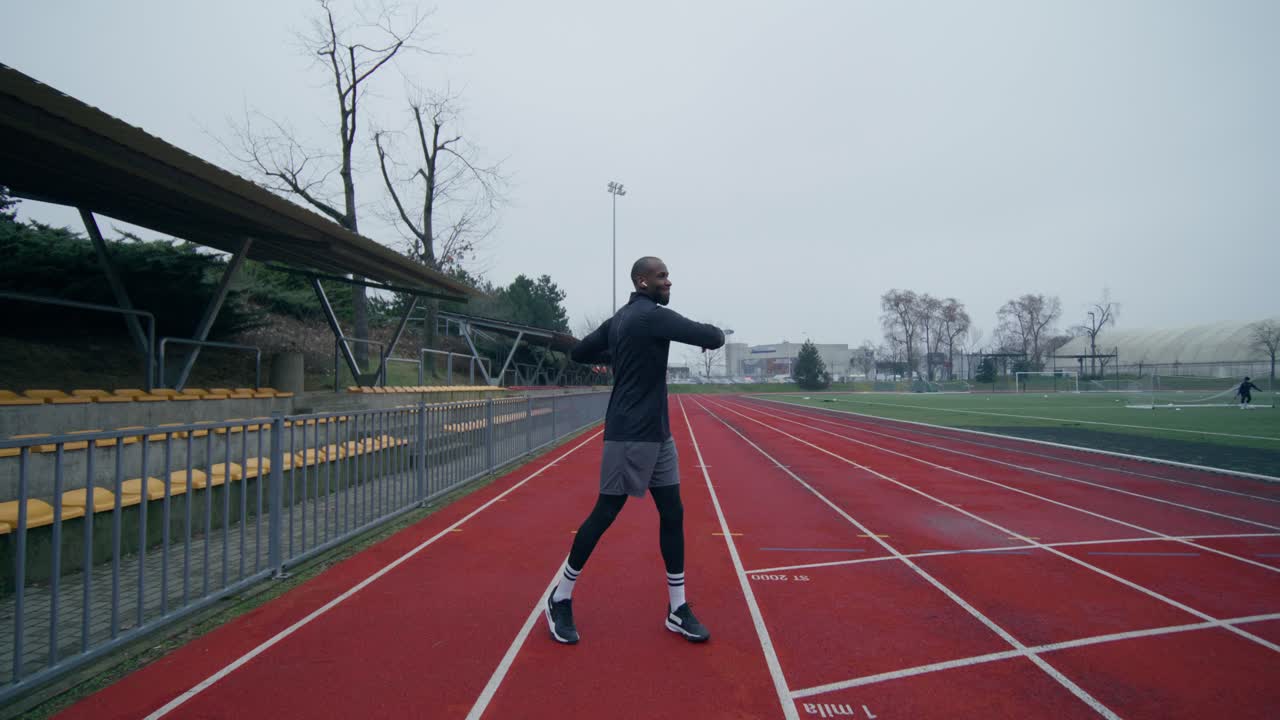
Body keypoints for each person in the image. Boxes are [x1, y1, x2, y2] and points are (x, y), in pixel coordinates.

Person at [545, 256, 725, 645]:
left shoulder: (620, 322)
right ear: (642, 281)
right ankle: (560, 597)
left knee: (672, 512)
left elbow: (579, 353)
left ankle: (677, 608)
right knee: (605, 513)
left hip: (657, 434)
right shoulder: (648, 316)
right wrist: (719, 332)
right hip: (629, 434)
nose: (669, 282)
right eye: (662, 276)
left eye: (668, 276)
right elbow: (710, 337)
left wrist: (617, 353)